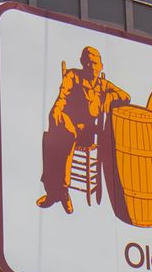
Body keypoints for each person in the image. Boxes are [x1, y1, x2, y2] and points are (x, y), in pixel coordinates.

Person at [36, 46, 130, 213]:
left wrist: (108, 98)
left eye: (95, 63)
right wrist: (57, 110)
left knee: (60, 137)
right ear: (82, 63)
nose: (91, 67)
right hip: (67, 124)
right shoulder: (73, 76)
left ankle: (57, 192)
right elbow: (62, 97)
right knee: (57, 135)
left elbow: (125, 96)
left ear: (101, 65)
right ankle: (58, 191)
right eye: (88, 62)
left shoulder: (103, 85)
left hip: (86, 132)